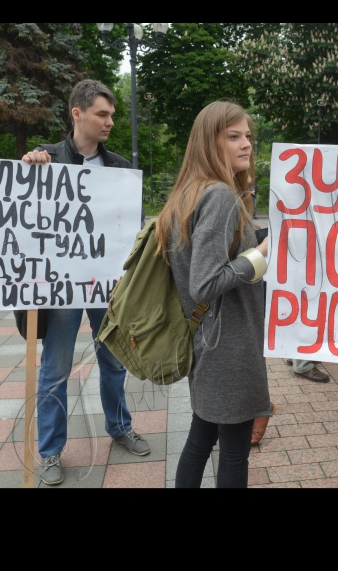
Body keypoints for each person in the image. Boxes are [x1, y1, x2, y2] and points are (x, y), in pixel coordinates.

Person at [22, 79, 151, 486]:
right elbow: (23, 216)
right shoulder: (45, 160)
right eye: (102, 114)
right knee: (55, 370)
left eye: (112, 115)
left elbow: (130, 231)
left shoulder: (120, 170)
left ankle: (119, 427)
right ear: (77, 114)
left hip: (107, 287)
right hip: (61, 288)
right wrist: (27, 168)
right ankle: (50, 451)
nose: (110, 121)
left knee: (113, 361)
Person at [156, 101, 272, 489]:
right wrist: (259, 255)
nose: (247, 145)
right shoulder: (221, 196)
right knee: (234, 451)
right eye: (234, 137)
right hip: (229, 344)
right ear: (210, 142)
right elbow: (204, 283)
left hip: (208, 339)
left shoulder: (191, 192)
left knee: (201, 437)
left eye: (248, 137)